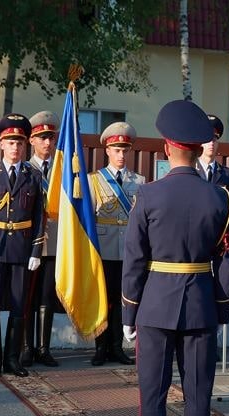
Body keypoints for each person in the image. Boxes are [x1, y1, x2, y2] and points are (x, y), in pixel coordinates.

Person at [122, 99, 229, 416]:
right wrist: (221, 309)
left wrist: (128, 312)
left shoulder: (148, 196)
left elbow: (134, 258)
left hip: (153, 306)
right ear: (197, 146)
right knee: (198, 392)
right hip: (202, 305)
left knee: (151, 392)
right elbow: (225, 260)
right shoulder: (219, 198)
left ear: (168, 147)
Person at [0, 114, 45, 379]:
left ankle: (12, 359)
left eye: (20, 143)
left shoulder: (33, 177)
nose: (16, 148)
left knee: (18, 307)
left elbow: (39, 217)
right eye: (10, 142)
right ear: (1, 145)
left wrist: (36, 251)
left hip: (22, 251)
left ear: (25, 146)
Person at [88, 122, 145, 366]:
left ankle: (117, 346)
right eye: (117, 150)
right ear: (107, 151)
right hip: (103, 247)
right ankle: (100, 347)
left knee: (123, 299)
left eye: (125, 150)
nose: (121, 155)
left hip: (127, 250)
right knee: (103, 299)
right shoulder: (94, 180)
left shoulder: (139, 181)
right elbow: (89, 218)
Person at [20, 111, 60, 368]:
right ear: (31, 141)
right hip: (26, 243)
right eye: (42, 137)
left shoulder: (62, 170)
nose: (47, 143)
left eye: (51, 138)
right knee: (26, 296)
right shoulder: (23, 170)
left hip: (54, 241)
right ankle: (25, 347)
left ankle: (43, 348)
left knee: (46, 296)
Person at [195, 114, 229, 202]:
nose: (211, 143)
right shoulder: (191, 169)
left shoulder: (226, 174)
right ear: (201, 142)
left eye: (215, 138)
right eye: (208, 139)